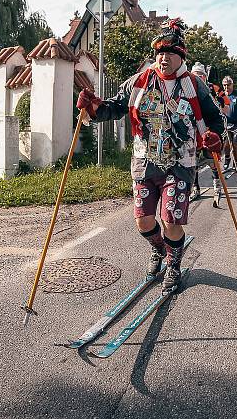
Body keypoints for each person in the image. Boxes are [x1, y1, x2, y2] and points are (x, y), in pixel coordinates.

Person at [75, 19, 225, 293]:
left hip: (181, 163)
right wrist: (93, 106)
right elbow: (115, 107)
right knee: (143, 220)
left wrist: (214, 137)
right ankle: (159, 249)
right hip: (145, 161)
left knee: (171, 219)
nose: (163, 57)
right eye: (159, 52)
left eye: (169, 53)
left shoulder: (194, 85)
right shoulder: (140, 82)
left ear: (181, 57)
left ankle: (174, 264)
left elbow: (216, 118)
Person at [189, 62, 229, 202]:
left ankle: (217, 186)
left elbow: (226, 104)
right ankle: (195, 188)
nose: (198, 77)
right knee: (192, 161)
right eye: (195, 75)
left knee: (212, 159)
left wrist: (220, 104)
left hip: (209, 128)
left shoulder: (214, 88)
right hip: (193, 130)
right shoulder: (187, 87)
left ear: (205, 77)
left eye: (201, 75)